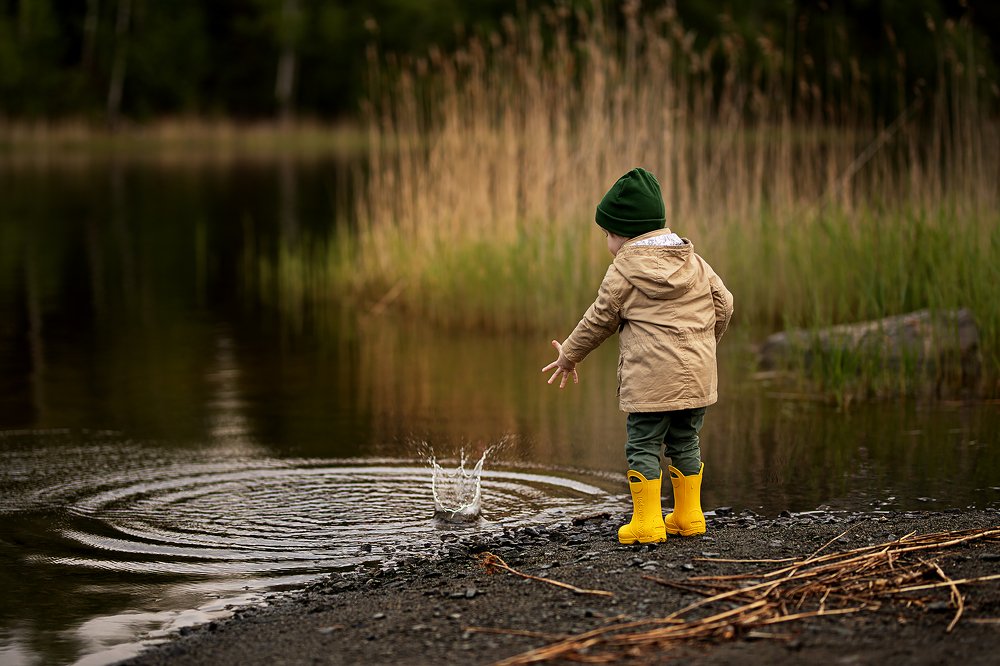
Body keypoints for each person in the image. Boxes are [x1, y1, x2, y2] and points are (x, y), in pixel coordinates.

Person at [542, 167, 733, 544]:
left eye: (608, 235)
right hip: (697, 375)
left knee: (643, 443)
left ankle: (647, 523)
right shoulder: (694, 261)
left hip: (651, 382)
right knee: (686, 440)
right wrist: (705, 343)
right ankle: (689, 517)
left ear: (624, 233)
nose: (608, 243)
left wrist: (569, 355)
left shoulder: (623, 272)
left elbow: (598, 320)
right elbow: (724, 304)